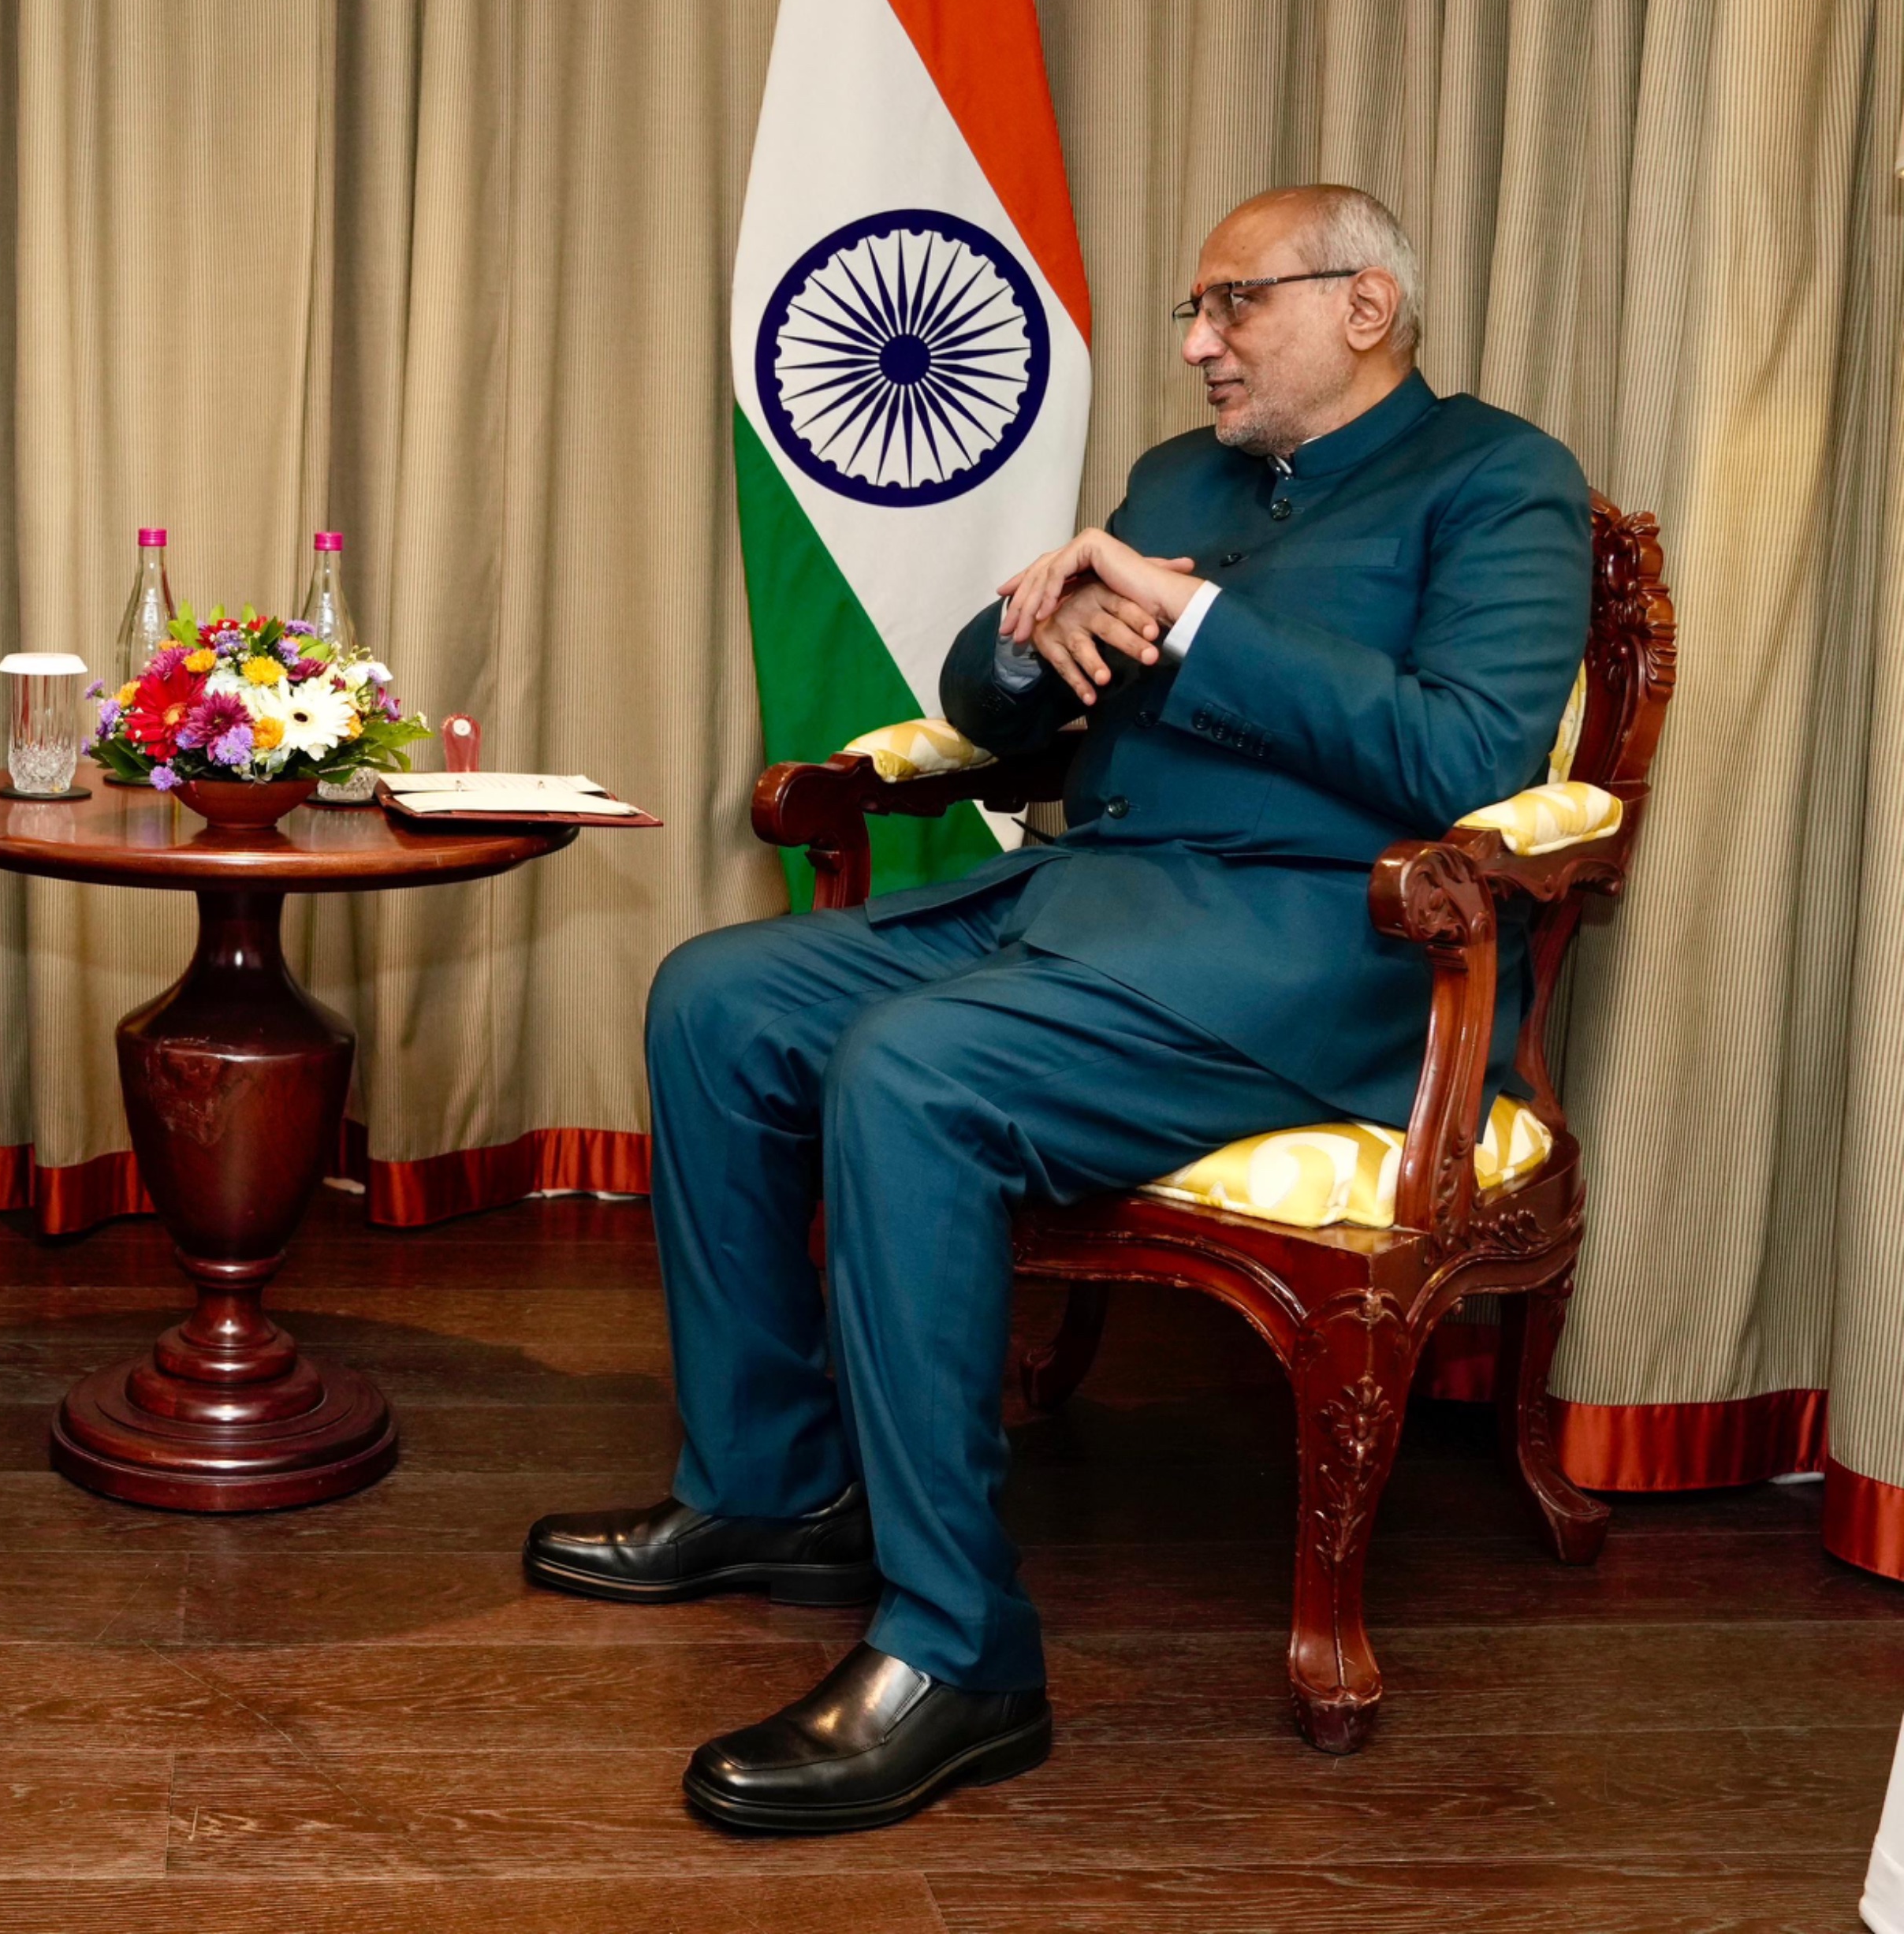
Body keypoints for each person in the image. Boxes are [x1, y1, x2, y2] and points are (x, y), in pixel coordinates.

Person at [527, 185, 1592, 1835]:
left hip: (1297, 959)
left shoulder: (1495, 478)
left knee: (909, 1072)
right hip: (1076, 902)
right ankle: (771, 1484)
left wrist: (1184, 617)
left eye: (1230, 305)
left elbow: (1464, 758)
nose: (1195, 344)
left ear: (1364, 306)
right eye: (1192, 310)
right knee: (716, 998)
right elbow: (991, 690)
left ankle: (957, 1653)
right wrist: (1037, 641)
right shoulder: (1181, 476)